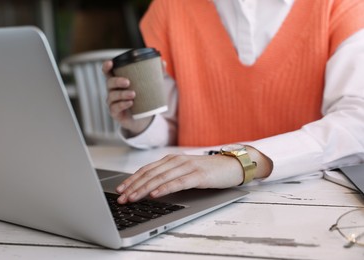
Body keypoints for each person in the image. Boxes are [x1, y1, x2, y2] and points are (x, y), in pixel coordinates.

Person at [103, 0, 364, 204]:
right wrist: (142, 121)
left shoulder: (340, 5)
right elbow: (173, 124)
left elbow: (355, 124)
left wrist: (239, 162)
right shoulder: (169, 7)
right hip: (193, 196)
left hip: (309, 201)